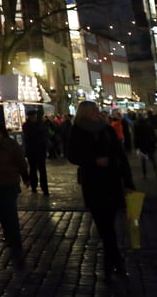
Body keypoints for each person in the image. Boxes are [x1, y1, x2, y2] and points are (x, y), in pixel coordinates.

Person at [67, 100, 135, 280]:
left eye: (96, 110)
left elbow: (121, 156)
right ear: (84, 113)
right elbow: (72, 156)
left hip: (111, 181)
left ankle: (111, 262)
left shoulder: (107, 129)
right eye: (92, 110)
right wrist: (92, 161)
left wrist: (128, 182)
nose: (96, 113)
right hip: (93, 183)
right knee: (104, 226)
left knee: (109, 225)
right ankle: (114, 262)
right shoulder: (77, 131)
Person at [0, 120, 29, 253]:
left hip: (9, 182)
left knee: (10, 211)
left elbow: (20, 161)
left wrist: (25, 176)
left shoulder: (11, 145)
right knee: (1, 211)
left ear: (1, 132)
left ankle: (15, 238)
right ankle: (8, 234)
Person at [22, 110, 50, 195]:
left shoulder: (31, 125)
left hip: (38, 150)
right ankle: (35, 186)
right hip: (33, 150)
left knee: (41, 170)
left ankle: (43, 188)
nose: (34, 117)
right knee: (34, 169)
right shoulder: (32, 125)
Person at [133, 112, 156, 179]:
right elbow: (153, 134)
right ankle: (155, 168)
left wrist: (136, 146)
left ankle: (144, 174)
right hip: (150, 143)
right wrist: (154, 142)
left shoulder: (136, 125)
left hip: (142, 145)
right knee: (152, 157)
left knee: (143, 160)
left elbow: (136, 137)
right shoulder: (148, 124)